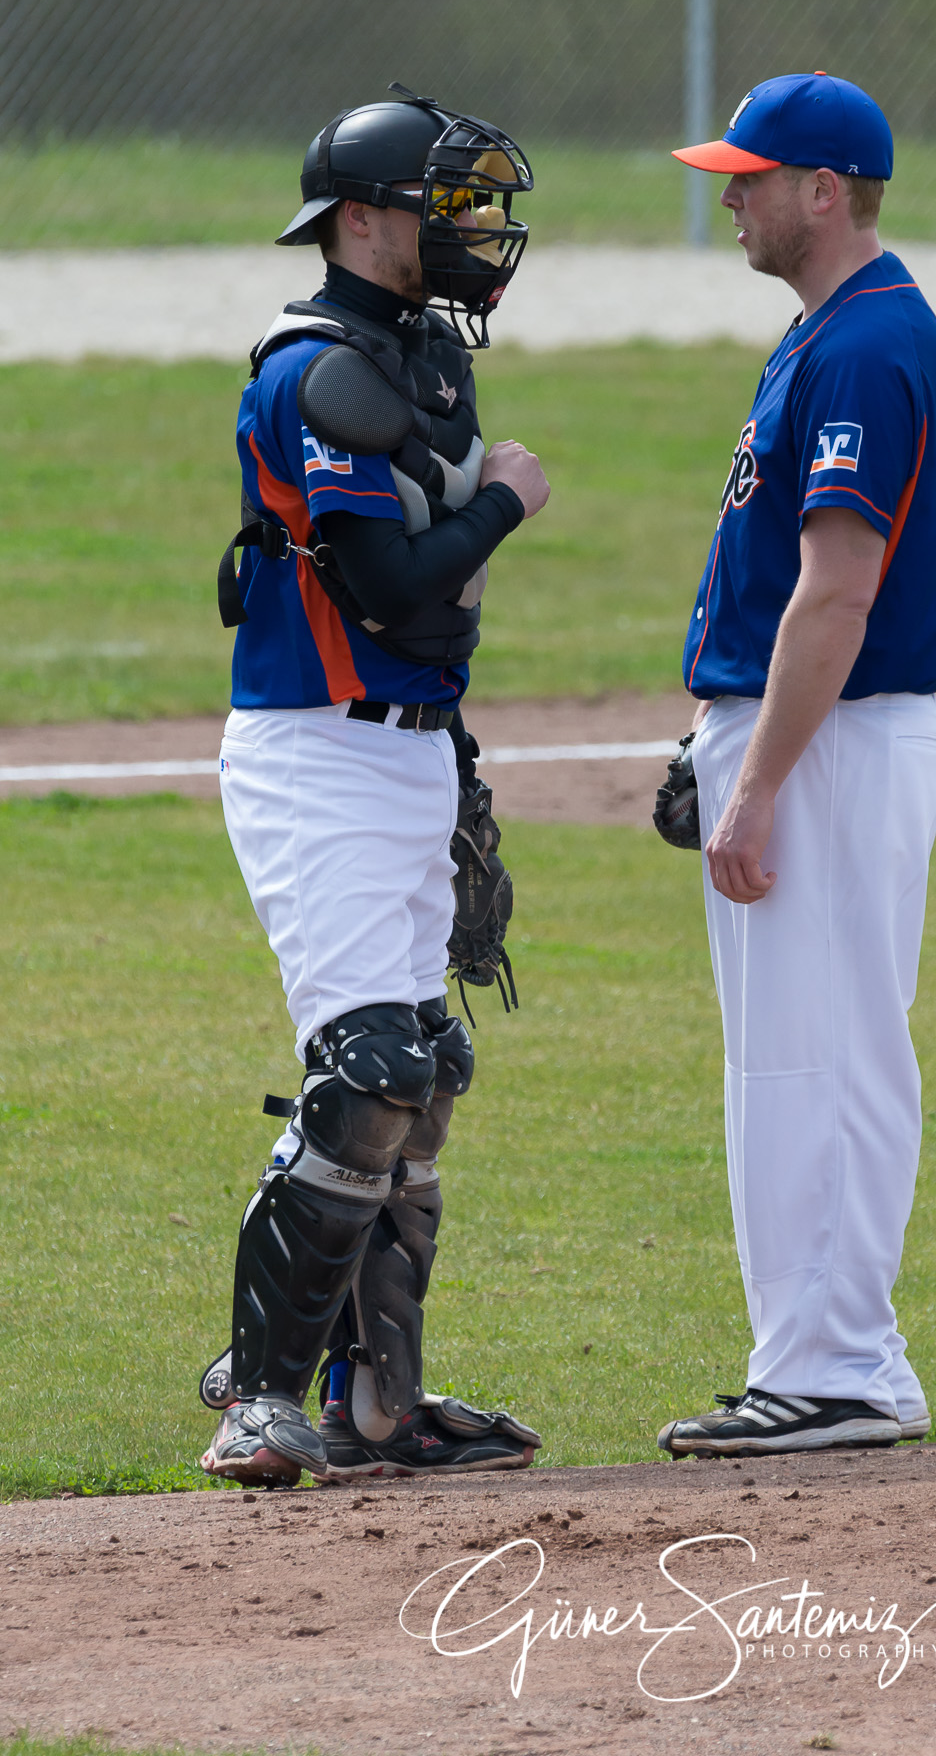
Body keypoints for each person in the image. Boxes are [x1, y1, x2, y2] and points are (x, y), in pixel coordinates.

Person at [199, 86, 549, 1486]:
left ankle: (380, 1411)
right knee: (370, 1074)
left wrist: (454, 768)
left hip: (403, 746)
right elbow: (393, 582)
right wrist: (507, 503)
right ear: (359, 220)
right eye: (446, 202)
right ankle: (262, 1399)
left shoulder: (418, 360)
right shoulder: (314, 371)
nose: (474, 227)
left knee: (430, 1073)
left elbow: (431, 621)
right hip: (315, 752)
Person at [656, 72, 936, 1458]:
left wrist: (757, 777)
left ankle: (842, 1365)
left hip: (834, 740)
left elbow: (834, 593)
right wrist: (718, 737)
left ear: (822, 191)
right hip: (808, 730)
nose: (728, 197)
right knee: (788, 1055)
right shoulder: (828, 332)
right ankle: (812, 1358)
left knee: (823, 1052)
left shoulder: (861, 347)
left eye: (749, 177)